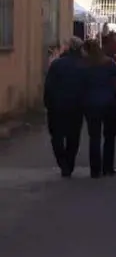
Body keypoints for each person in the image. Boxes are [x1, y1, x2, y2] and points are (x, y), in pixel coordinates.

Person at [43, 36, 88, 177]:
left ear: (68, 47)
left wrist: (48, 104)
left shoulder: (57, 64)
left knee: (56, 136)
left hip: (57, 106)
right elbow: (87, 87)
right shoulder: (84, 65)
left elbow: (49, 86)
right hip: (76, 107)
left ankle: (63, 163)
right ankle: (69, 163)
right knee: (73, 136)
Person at [82, 39, 116, 177]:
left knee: (94, 136)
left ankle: (95, 170)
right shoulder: (107, 62)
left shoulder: (83, 65)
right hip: (109, 103)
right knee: (109, 136)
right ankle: (108, 167)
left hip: (91, 104)